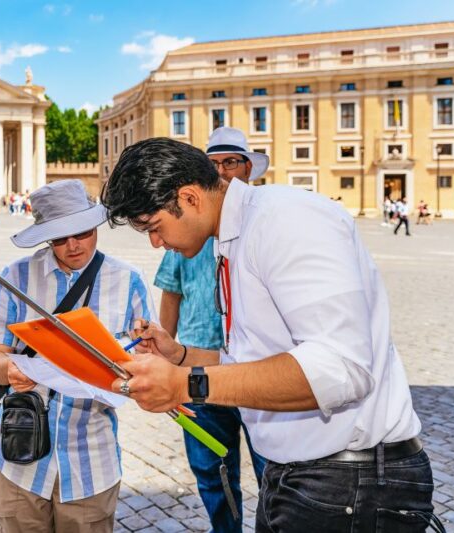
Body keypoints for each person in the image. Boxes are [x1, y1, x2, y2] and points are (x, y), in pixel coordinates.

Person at [100, 138, 440, 532]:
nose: (156, 243)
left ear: (190, 197)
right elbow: (257, 364)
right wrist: (180, 355)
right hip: (306, 479)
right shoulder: (233, 236)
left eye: (154, 228)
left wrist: (184, 384)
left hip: (349, 485)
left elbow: (340, 369)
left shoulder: (286, 220)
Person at [0, 179, 155, 533]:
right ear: (45, 236)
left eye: (83, 232)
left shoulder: (128, 280)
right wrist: (11, 370)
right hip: (20, 460)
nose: (74, 245)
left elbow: (147, 364)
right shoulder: (16, 277)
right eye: (60, 238)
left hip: (91, 461)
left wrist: (140, 363)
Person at [155, 127, 267, 532]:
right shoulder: (186, 230)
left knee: (273, 470)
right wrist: (165, 357)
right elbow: (171, 292)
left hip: (258, 370)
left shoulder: (261, 226)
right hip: (197, 368)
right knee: (211, 474)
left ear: (248, 168)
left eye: (229, 163)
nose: (220, 171)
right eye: (212, 165)